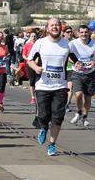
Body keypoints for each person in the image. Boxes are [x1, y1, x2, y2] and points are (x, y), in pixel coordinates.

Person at [26, 18, 80, 156]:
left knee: (57, 117)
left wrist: (78, 64)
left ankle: (52, 144)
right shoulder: (40, 43)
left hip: (60, 86)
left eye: (57, 25)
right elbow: (29, 60)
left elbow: (77, 60)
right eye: (52, 25)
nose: (55, 27)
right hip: (43, 86)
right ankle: (44, 127)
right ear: (47, 28)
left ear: (61, 27)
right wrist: (35, 67)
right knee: (43, 116)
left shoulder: (68, 44)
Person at [69, 25, 95, 126]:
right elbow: (67, 55)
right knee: (78, 94)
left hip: (90, 73)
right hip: (77, 73)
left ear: (89, 33)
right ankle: (78, 112)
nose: (84, 34)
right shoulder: (73, 44)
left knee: (88, 98)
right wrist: (75, 62)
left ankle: (85, 116)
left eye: (85, 32)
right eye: (81, 32)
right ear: (78, 33)